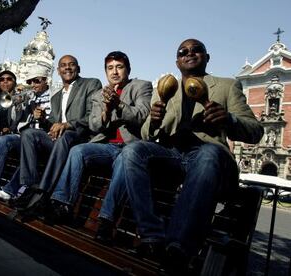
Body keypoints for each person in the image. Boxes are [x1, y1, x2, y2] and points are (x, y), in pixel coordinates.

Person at [103, 39, 263, 272]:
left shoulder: (227, 86)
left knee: (208, 153)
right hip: (173, 155)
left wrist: (229, 119)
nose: (190, 53)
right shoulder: (167, 90)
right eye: (183, 52)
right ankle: (151, 236)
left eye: (196, 49)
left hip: (207, 157)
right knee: (132, 150)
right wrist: (154, 119)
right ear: (177, 62)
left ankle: (177, 248)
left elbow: (256, 131)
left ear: (207, 57)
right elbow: (147, 134)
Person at [48, 51, 152, 225]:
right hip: (105, 146)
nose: (115, 72)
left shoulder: (141, 86)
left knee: (123, 162)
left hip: (129, 147)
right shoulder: (99, 94)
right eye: (110, 68)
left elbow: (141, 115)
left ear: (128, 69)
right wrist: (105, 111)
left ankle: (106, 219)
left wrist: (118, 105)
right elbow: (94, 125)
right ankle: (62, 204)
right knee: (78, 151)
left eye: (119, 67)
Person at [8, 55, 102, 209]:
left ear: (78, 69)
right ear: (58, 71)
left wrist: (66, 125)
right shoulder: (56, 96)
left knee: (65, 136)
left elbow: (92, 117)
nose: (67, 68)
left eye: (71, 65)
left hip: (78, 138)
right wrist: (44, 119)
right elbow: (52, 125)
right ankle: (30, 186)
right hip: (58, 141)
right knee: (29, 133)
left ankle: (42, 192)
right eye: (63, 65)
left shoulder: (91, 84)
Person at [0, 67, 52, 200]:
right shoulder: (28, 98)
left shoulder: (54, 97)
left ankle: (11, 190)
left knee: (28, 145)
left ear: (47, 80)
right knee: (4, 140)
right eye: (30, 82)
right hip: (23, 137)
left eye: (36, 81)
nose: (32, 85)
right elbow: (20, 121)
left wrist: (41, 118)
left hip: (41, 139)